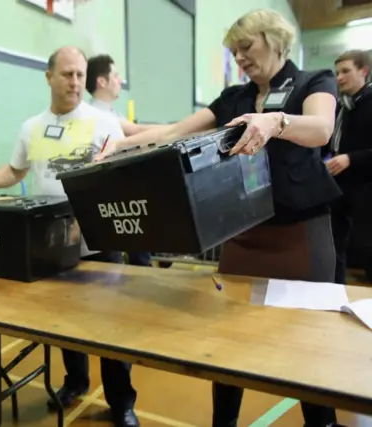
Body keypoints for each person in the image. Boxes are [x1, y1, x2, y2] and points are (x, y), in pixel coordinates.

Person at [96, 9, 342, 427]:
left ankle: (322, 422)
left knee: (307, 345)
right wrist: (121, 145)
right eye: (234, 52)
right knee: (227, 341)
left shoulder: (313, 81)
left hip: (301, 235)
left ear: (274, 38)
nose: (240, 58)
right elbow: (176, 130)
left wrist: (276, 121)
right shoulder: (235, 97)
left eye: (246, 47)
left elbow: (320, 128)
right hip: (244, 233)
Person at [0, 46, 139, 427]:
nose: (74, 82)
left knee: (110, 330)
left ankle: (121, 401)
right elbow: (15, 171)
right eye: (66, 74)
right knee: (66, 324)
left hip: (98, 245)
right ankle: (75, 382)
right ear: (49, 77)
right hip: (54, 248)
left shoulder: (103, 123)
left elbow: (120, 178)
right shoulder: (32, 127)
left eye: (79, 75)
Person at [86, 54, 153, 267]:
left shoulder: (112, 113)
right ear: (101, 81)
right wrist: (183, 129)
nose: (120, 80)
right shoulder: (97, 115)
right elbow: (137, 131)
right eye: (115, 75)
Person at [323, 50, 372, 284]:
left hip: (365, 187)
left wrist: (350, 158)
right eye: (337, 73)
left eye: (345, 71)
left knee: (366, 247)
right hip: (339, 185)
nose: (339, 77)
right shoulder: (340, 106)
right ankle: (336, 295)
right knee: (335, 246)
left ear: (364, 71)